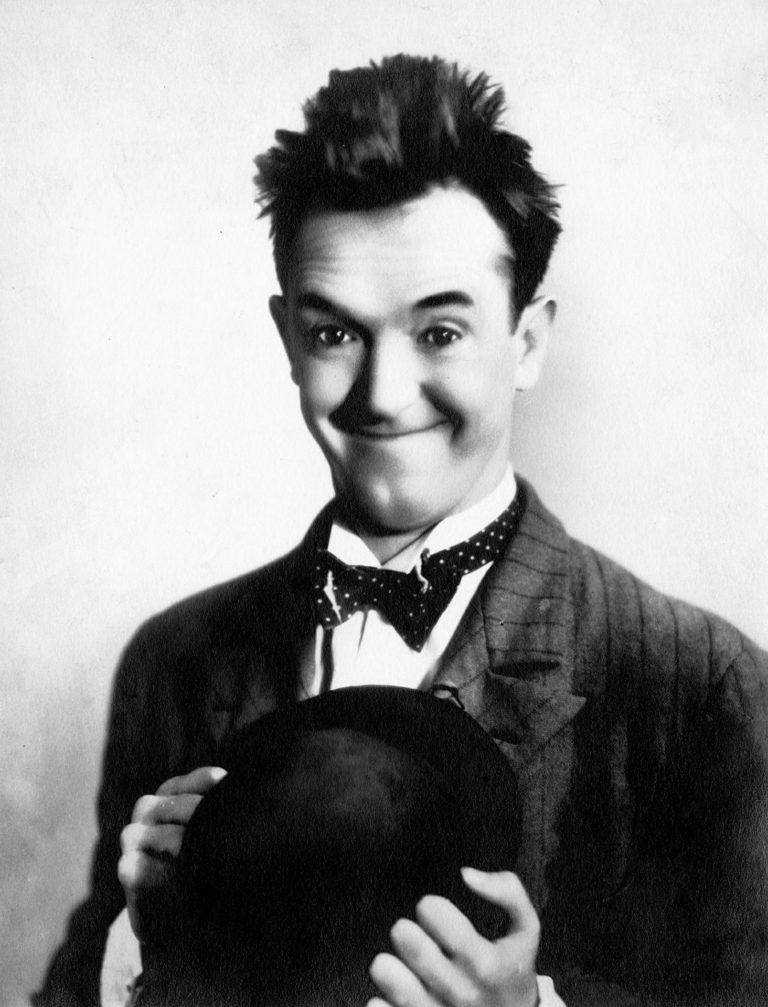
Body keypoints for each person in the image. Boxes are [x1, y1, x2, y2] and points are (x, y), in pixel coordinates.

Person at [34, 54, 768, 1007]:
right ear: (287, 338)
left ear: (528, 341)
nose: (383, 396)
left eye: (440, 332)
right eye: (335, 333)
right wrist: (138, 943)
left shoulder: (701, 686)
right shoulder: (175, 662)